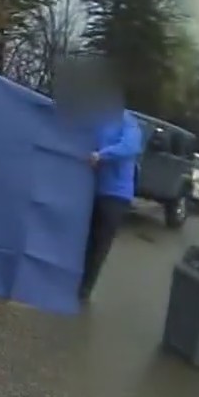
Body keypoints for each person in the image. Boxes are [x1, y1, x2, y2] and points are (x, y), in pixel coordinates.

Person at [79, 103, 142, 304]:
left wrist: (101, 155)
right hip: (96, 191)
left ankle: (85, 288)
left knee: (100, 243)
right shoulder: (99, 121)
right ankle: (78, 282)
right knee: (87, 240)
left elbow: (130, 147)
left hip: (117, 195)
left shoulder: (128, 122)